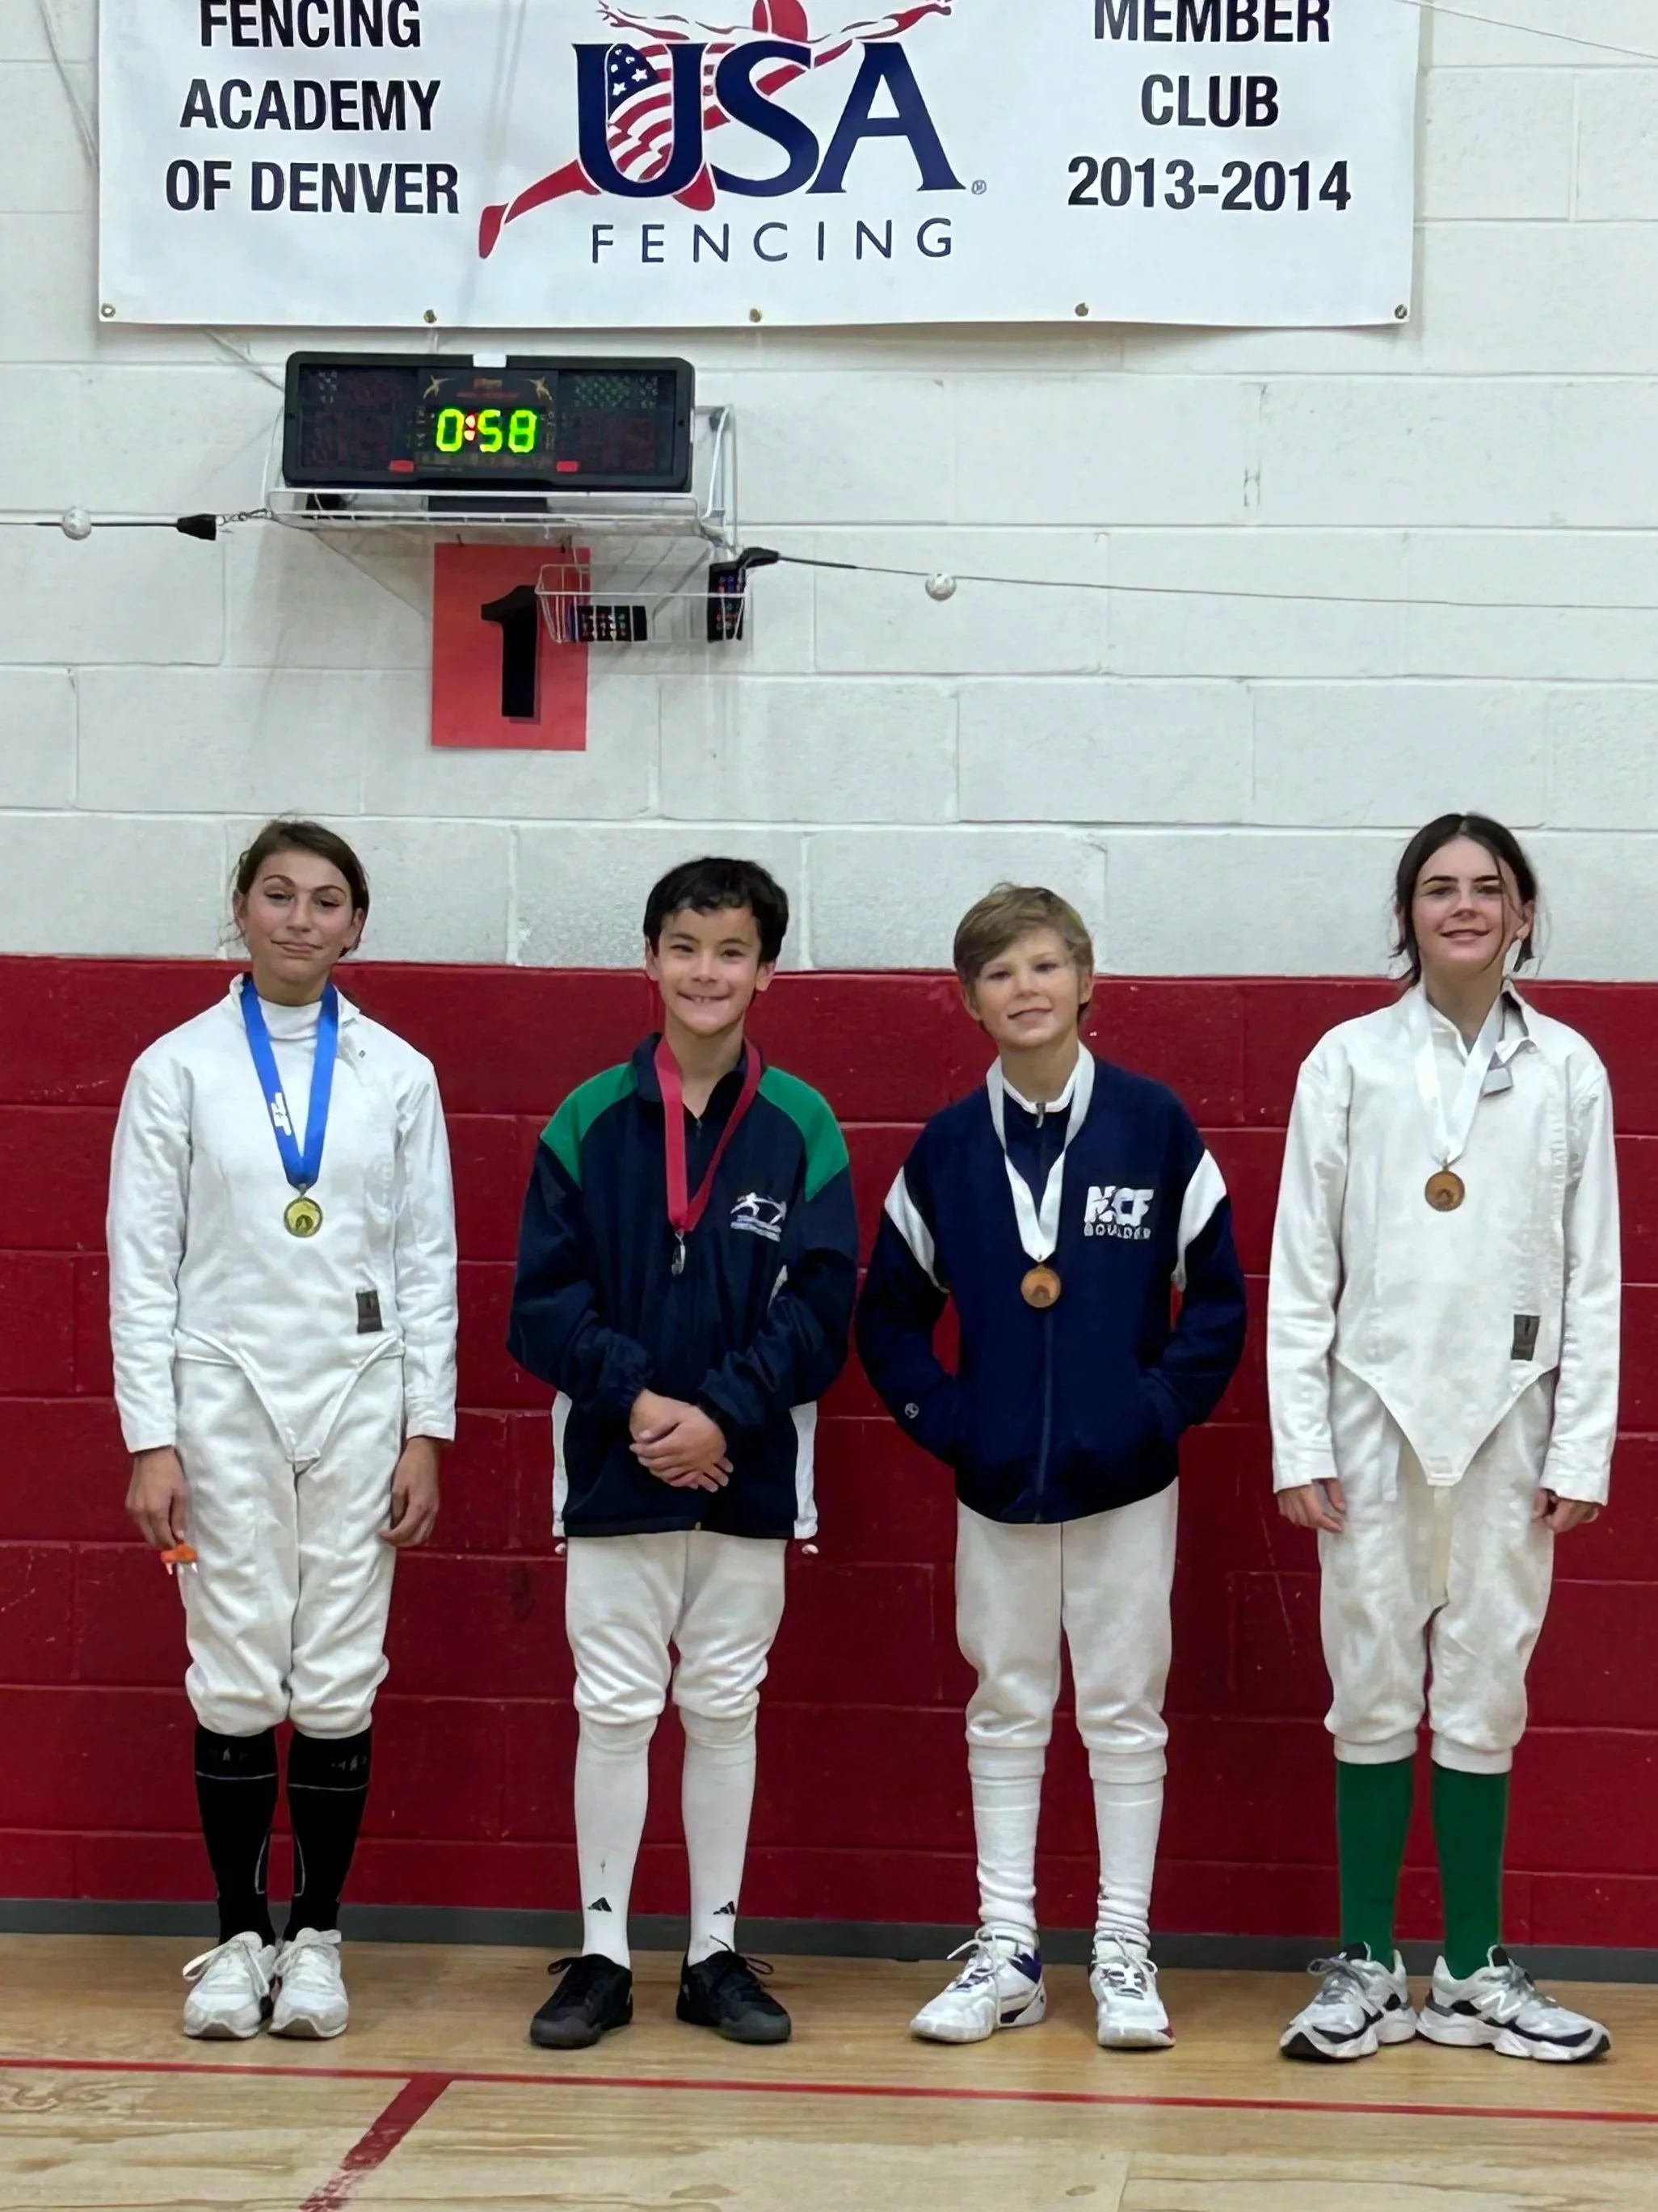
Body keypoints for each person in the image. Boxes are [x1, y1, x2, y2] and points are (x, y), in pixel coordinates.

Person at [856, 886, 1247, 2052]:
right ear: (971, 1001)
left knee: (1125, 1715)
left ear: (1086, 977)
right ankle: (1010, 1949)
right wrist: (953, 1421)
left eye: (1042, 966)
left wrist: (1152, 1414)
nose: (1023, 990)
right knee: (1007, 1708)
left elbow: (1218, 1302)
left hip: (1128, 1485)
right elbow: (887, 1318)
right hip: (998, 1490)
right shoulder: (946, 1147)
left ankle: (1123, 1951)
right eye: (998, 974)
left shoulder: (1153, 1125)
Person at [1271, 814, 1618, 2065]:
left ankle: (1471, 1969)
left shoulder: (1572, 1068)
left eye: (1488, 889)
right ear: (1407, 914)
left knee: (1485, 1688)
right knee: (1367, 1681)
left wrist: (1582, 1448)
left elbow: (1595, 1280)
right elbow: (1304, 1269)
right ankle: (1368, 1962)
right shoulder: (1347, 1061)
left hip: (1511, 1420)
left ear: (1524, 913)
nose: (1463, 906)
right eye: (1438, 888)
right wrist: (1297, 1437)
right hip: (1370, 1407)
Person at [111, 821, 457, 2042]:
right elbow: (141, 1269)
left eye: (326, 901)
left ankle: (318, 1939)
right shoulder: (178, 1069)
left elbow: (428, 1265)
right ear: (242, 910)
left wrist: (429, 1428)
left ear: (357, 924)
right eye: (278, 896)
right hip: (221, 1398)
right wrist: (151, 1437)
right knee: (236, 1670)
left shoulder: (399, 1074)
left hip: (360, 1395)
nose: (301, 919)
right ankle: (233, 1940)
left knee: (339, 1677)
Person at [508, 857, 856, 2050]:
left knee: (723, 1706)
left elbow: (820, 1314)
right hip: (616, 1472)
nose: (708, 972)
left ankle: (713, 1951)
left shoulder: (803, 1124)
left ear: (766, 969)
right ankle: (602, 1952)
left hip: (748, 1473)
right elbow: (541, 1309)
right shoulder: (585, 1121)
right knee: (611, 1709)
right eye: (687, 947)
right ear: (650, 958)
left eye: (732, 951)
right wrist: (649, 1410)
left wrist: (722, 1417)